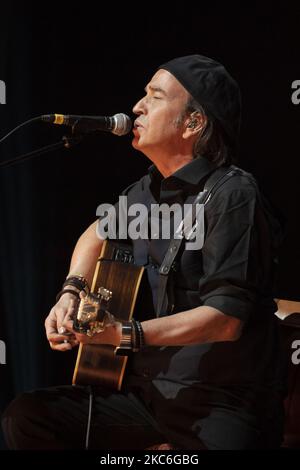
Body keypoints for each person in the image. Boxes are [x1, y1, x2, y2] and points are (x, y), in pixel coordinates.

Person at [2, 54, 286, 450]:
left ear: (192, 123)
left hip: (218, 403)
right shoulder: (145, 190)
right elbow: (93, 234)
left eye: (155, 96)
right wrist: (70, 291)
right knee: (28, 417)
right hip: (146, 399)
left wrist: (124, 334)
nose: (136, 106)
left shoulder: (234, 194)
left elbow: (225, 319)